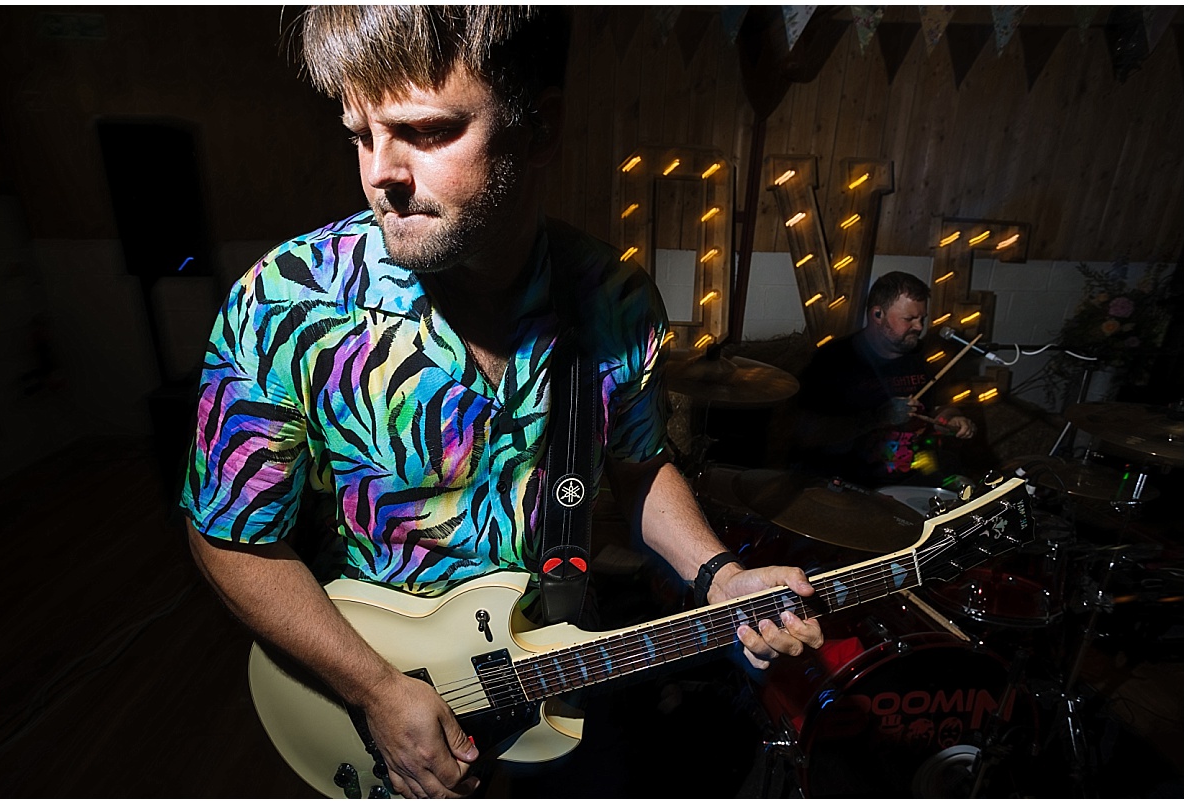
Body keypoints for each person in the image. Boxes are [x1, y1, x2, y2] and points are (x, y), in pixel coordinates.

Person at [181, 6, 822, 799]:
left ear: (540, 127)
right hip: (374, 699)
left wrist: (718, 574)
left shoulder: (614, 301)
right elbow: (230, 538)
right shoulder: (285, 304)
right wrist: (374, 691)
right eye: (360, 133)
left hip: (550, 683)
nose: (381, 171)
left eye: (427, 131)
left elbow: (637, 463)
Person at [790, 271, 978, 489]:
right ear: (877, 314)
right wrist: (878, 418)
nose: (919, 327)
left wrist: (952, 421)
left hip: (911, 476)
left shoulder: (928, 359)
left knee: (966, 488)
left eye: (922, 319)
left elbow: (939, 410)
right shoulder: (833, 360)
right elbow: (808, 433)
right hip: (847, 483)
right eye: (909, 319)